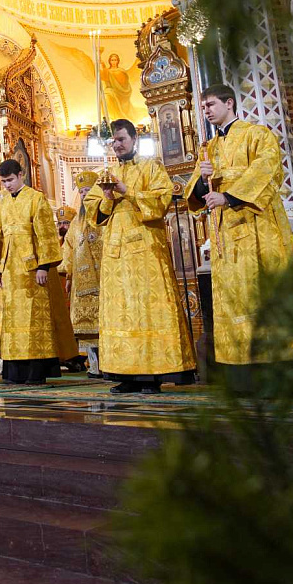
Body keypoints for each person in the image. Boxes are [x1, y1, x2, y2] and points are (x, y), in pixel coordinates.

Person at [182, 84, 293, 381]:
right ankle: (244, 371)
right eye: (203, 106)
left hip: (259, 230)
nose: (206, 110)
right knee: (237, 299)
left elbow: (267, 171)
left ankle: (281, 369)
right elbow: (195, 193)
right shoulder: (208, 148)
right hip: (226, 237)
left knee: (265, 294)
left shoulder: (256, 134)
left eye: (210, 104)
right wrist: (203, 182)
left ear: (229, 103)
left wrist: (228, 197)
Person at [83, 119, 196, 392]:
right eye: (114, 141)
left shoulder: (151, 167)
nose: (117, 145)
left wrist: (127, 191)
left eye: (122, 139)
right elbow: (93, 212)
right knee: (122, 314)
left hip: (146, 253)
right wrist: (108, 197)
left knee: (148, 310)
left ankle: (154, 374)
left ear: (134, 139)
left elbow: (161, 202)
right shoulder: (105, 174)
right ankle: (126, 374)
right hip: (116, 257)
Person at [0, 159, 65, 385]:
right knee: (11, 321)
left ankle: (34, 372)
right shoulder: (0, 200)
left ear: (22, 175)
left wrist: (44, 266)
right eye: (4, 182)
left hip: (31, 268)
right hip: (9, 268)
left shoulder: (35, 198)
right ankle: (14, 371)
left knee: (33, 320)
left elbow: (47, 234)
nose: (7, 185)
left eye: (10, 180)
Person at [59, 171, 104, 373]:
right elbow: (68, 249)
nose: (85, 195)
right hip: (80, 282)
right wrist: (67, 274)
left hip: (102, 278)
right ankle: (94, 367)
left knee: (103, 324)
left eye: (88, 190)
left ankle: (109, 365)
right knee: (86, 331)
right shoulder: (76, 222)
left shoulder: (102, 214)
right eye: (82, 191)